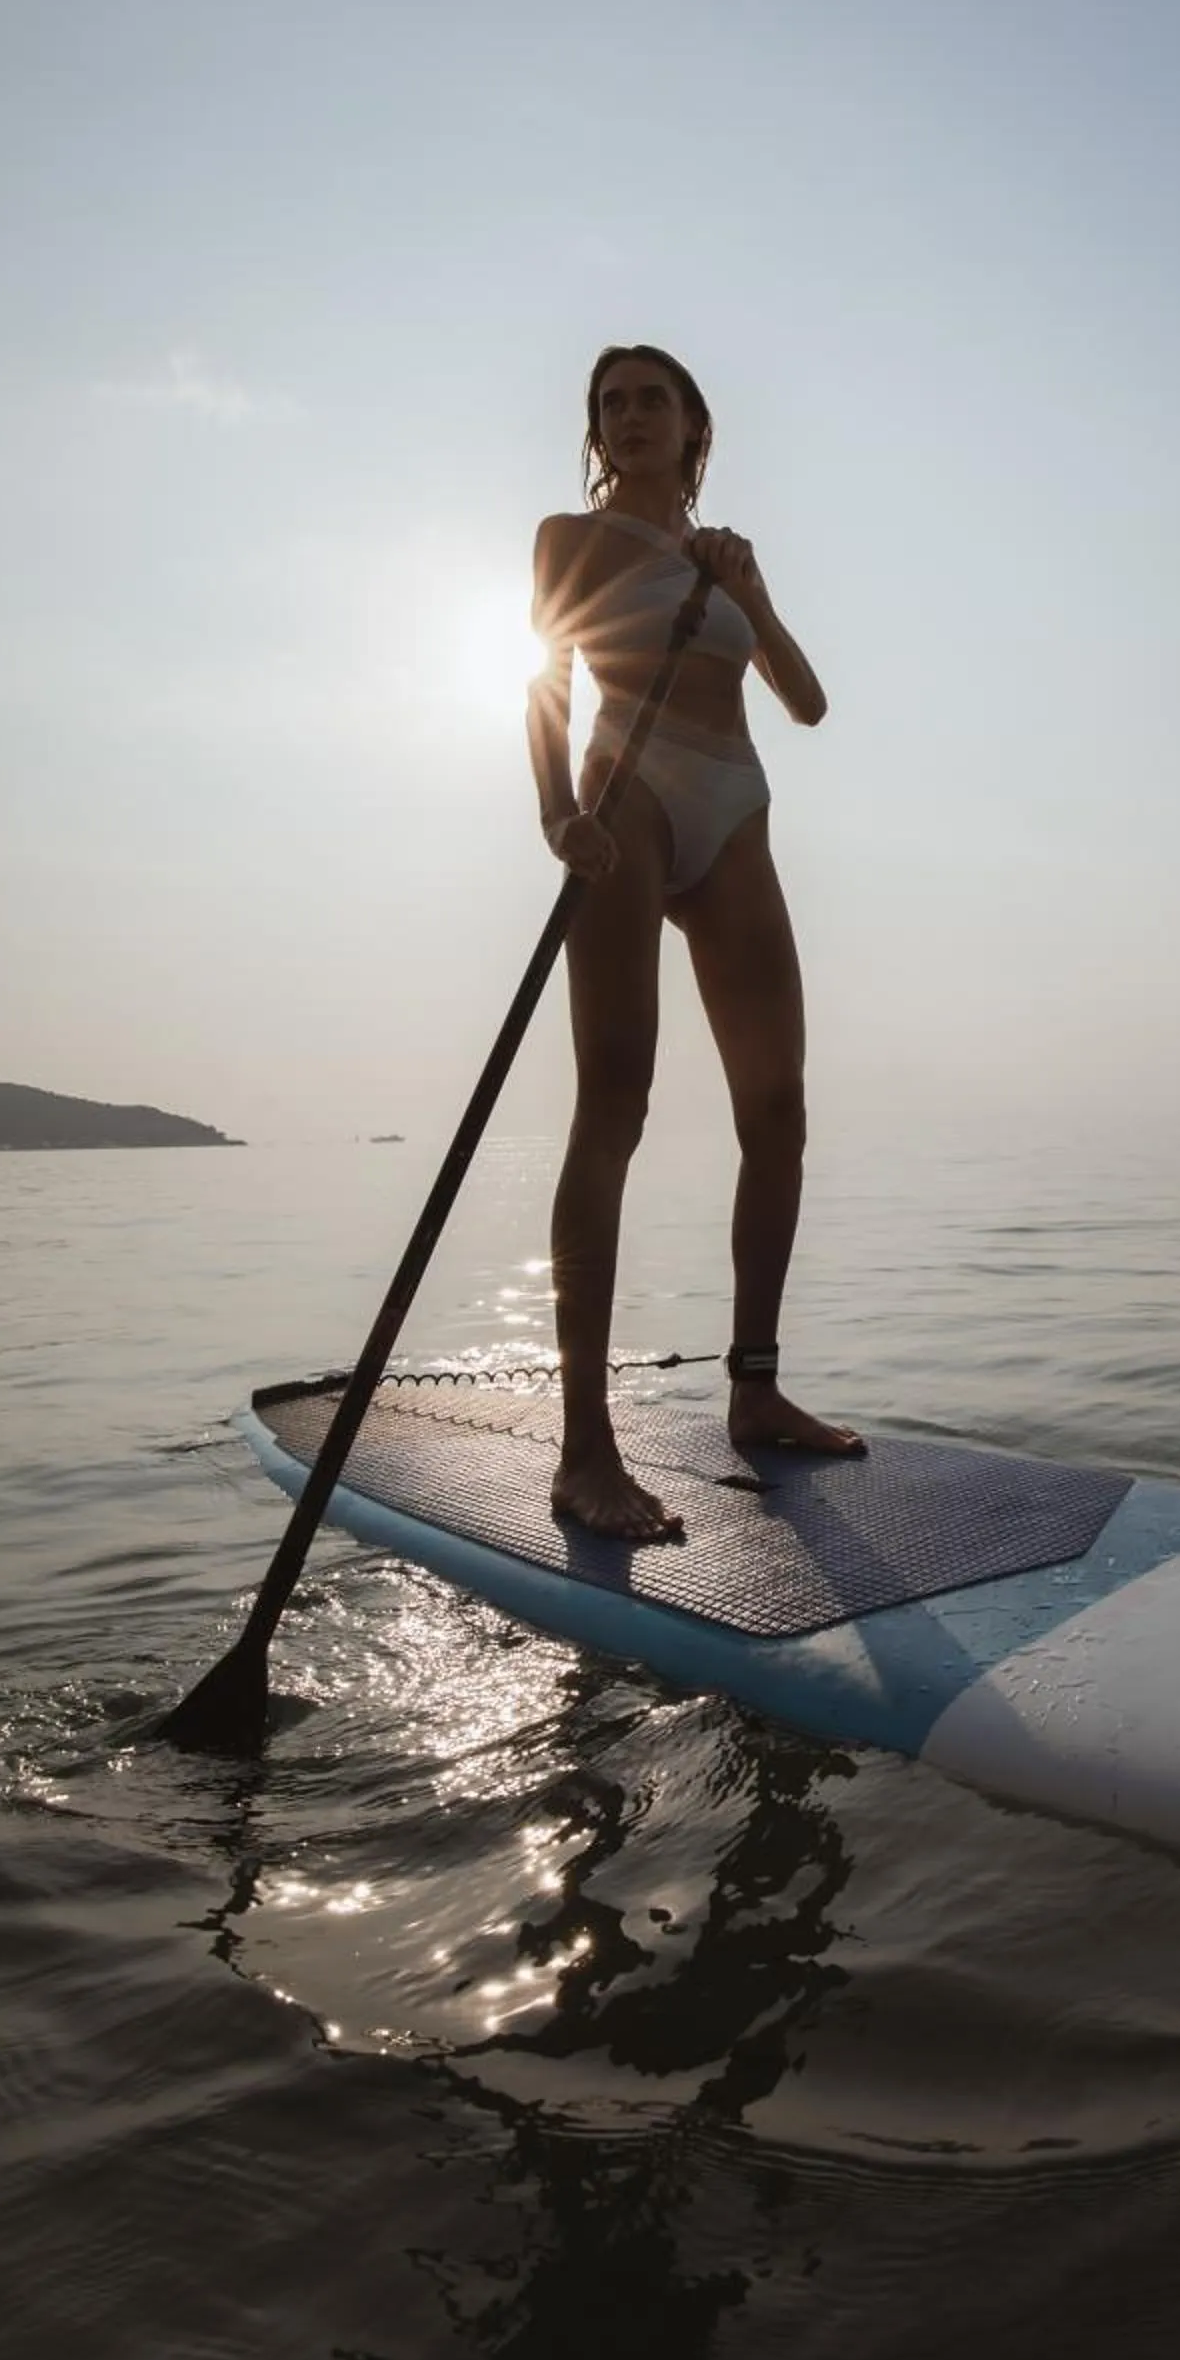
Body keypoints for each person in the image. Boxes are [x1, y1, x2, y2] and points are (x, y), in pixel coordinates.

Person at [527, 344, 863, 1541]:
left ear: (692, 425)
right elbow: (544, 680)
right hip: (628, 798)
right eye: (609, 404)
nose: (628, 416)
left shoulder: (728, 556)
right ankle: (584, 1448)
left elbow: (806, 702)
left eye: (649, 400)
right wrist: (555, 813)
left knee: (777, 1109)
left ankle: (754, 1389)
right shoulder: (569, 539)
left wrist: (749, 594)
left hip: (735, 807)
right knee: (614, 1103)